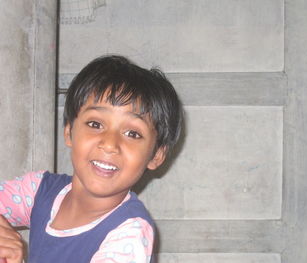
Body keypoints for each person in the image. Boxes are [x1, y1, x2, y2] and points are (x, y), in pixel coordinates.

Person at [0, 55, 183, 263]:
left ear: (156, 155)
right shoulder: (38, 190)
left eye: (133, 133)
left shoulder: (130, 233)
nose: (109, 144)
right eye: (95, 124)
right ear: (69, 132)